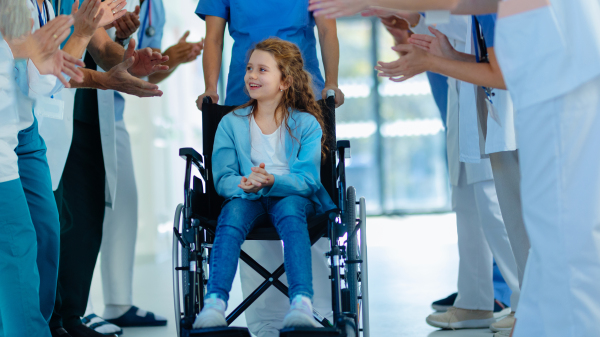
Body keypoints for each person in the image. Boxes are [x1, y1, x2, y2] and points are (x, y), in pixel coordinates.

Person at [194, 2, 343, 335]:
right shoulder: (232, 123)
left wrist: (332, 83)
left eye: (259, 70)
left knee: (296, 216)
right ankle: (251, 318)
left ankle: (311, 308)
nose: (254, 74)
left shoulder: (305, 123)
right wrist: (210, 88)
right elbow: (213, 37)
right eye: (252, 68)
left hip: (306, 93)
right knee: (237, 220)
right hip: (238, 104)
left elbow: (327, 29)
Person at [81, 0, 203, 333]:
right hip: (75, 100)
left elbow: (144, 69)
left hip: (111, 106)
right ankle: (79, 307)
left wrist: (172, 59)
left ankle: (117, 303)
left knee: (123, 203)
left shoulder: (155, 8)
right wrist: (121, 49)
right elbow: (98, 47)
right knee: (77, 210)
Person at [0, 1, 84, 336]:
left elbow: (36, 83)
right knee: (17, 243)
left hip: (23, 125)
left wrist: (80, 35)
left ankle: (33, 324)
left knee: (46, 231)